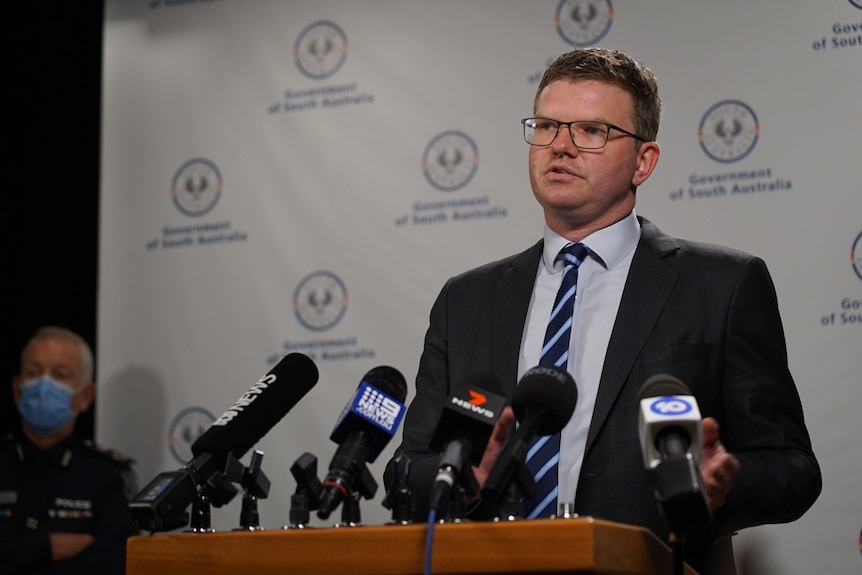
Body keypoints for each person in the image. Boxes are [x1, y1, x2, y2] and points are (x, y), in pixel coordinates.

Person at [386, 47, 821, 575]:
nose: (560, 146)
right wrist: (464, 479)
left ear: (644, 160)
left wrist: (718, 485)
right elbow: (408, 466)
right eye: (546, 126)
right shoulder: (466, 300)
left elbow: (792, 468)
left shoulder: (722, 286)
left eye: (591, 131)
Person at [0, 326, 139, 574]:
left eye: (60, 375)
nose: (44, 385)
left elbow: (117, 561)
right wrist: (47, 548)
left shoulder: (109, 475)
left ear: (85, 395)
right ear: (17, 389)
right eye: (33, 373)